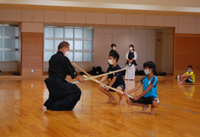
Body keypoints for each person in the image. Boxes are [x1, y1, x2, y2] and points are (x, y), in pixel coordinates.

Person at [44, 41, 84, 111]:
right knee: (76, 91)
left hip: (51, 82)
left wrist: (64, 80)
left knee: (66, 89)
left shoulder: (52, 57)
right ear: (64, 48)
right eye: (68, 50)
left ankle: (51, 104)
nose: (67, 52)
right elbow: (71, 71)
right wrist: (79, 78)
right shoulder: (64, 58)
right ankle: (57, 105)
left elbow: (56, 71)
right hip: (58, 83)